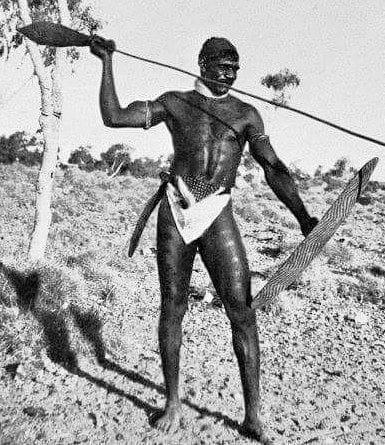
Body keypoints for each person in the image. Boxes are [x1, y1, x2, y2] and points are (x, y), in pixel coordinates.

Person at [90, 35, 318, 443]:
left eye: (235, 69)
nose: (230, 74)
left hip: (217, 213)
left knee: (242, 311)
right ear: (202, 63)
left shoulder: (246, 115)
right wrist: (107, 62)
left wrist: (303, 218)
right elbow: (115, 117)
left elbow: (273, 167)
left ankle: (253, 416)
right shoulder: (175, 102)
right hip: (176, 210)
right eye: (223, 66)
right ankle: (172, 403)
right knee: (173, 306)